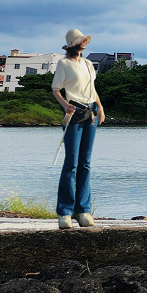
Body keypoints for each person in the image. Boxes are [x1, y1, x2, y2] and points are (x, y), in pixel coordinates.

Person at [51, 29, 105, 230]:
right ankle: (64, 211)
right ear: (71, 44)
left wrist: (100, 107)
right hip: (73, 112)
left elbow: (92, 89)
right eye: (79, 41)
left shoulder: (89, 64)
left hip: (91, 111)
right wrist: (65, 105)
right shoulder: (63, 64)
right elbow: (55, 89)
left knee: (85, 163)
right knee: (71, 163)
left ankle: (83, 209)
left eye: (84, 40)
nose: (83, 43)